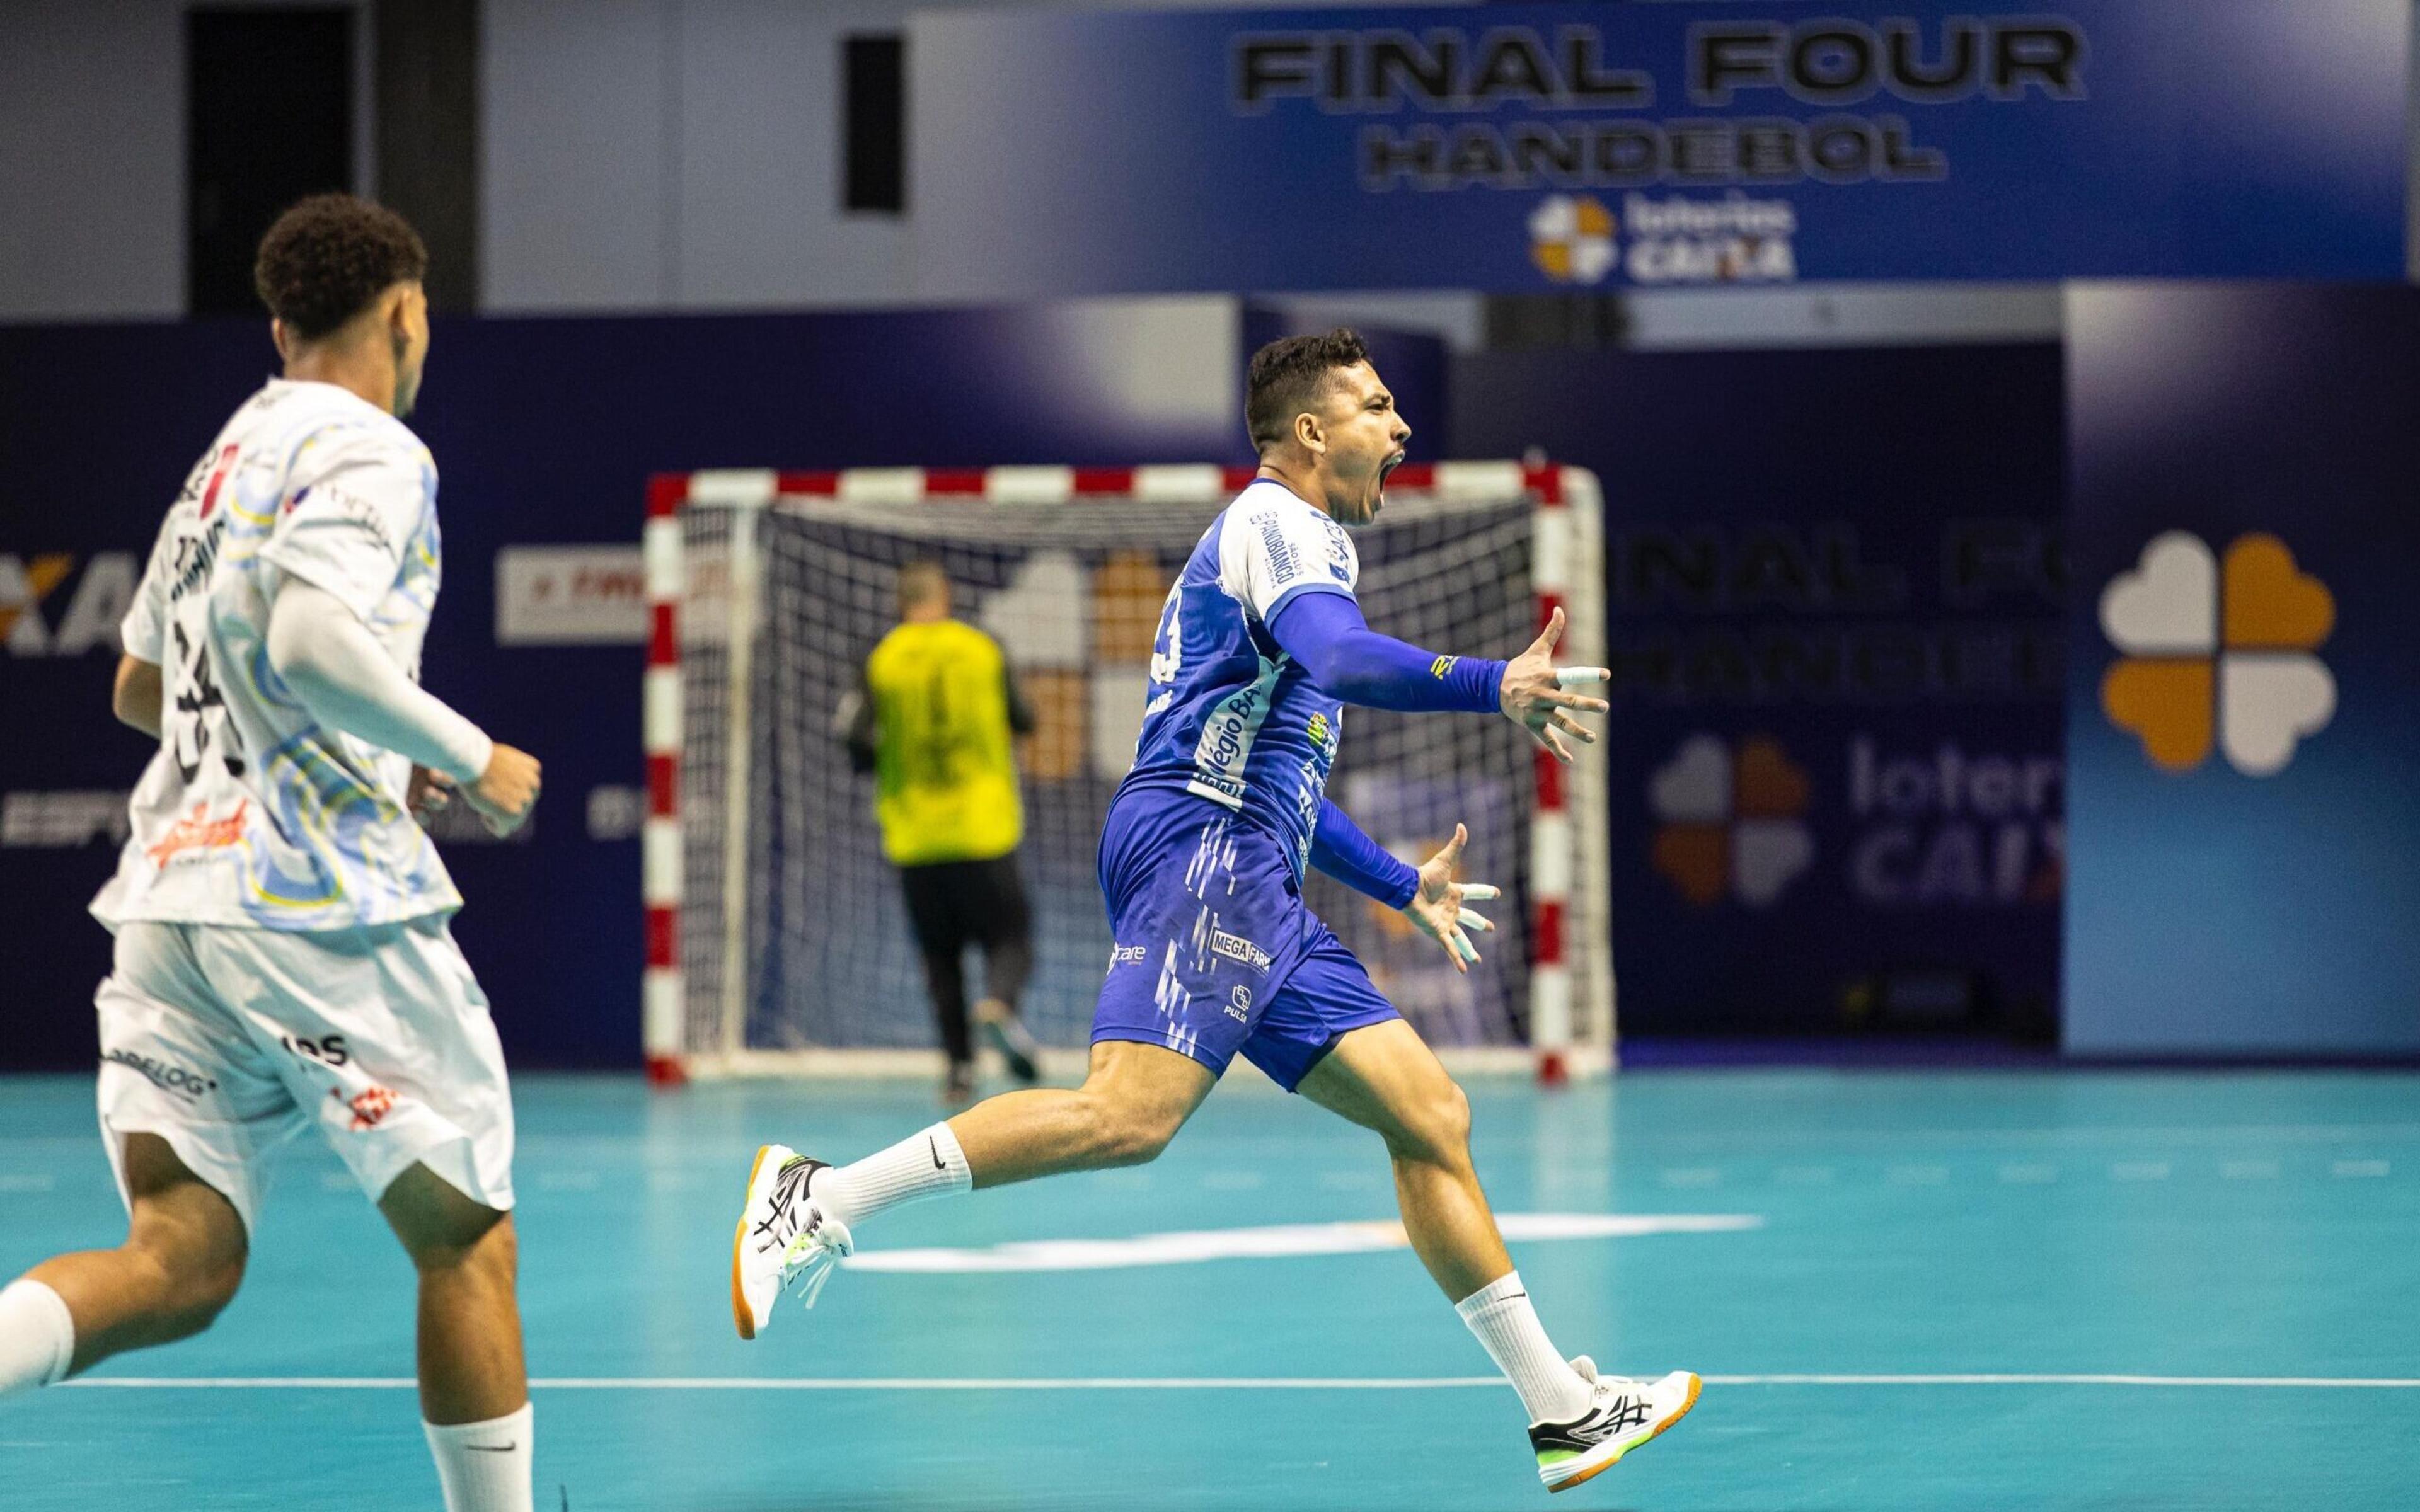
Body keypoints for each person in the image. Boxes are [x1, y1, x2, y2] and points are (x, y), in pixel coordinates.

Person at [734, 329, 1698, 1492]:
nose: (1400, 430)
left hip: (1253, 862)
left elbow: (1291, 781)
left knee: (1431, 1115)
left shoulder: (1307, 545)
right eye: (1377, 408)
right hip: (1203, 845)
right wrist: (1488, 682)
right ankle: (818, 1196)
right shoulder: (1274, 524)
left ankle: (1563, 1410)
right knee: (1127, 1118)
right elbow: (1339, 662)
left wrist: (1400, 884)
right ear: (1311, 432)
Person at [0, 194, 543, 1512]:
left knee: (180, 1261)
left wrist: (362, 743)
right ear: (406, 313)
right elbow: (307, 646)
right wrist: (470, 757)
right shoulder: (373, 450)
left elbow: (143, 680)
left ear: (280, 323)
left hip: (167, 906)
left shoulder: (222, 461)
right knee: (462, 1237)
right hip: (309, 902)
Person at [843, 560, 1047, 1101]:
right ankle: (1000, 1003)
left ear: (900, 602)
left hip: (915, 836)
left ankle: (958, 1069)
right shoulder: (982, 648)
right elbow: (1025, 719)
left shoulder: (882, 660)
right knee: (1011, 935)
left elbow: (856, 740)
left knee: (940, 958)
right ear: (946, 596)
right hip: (983, 828)